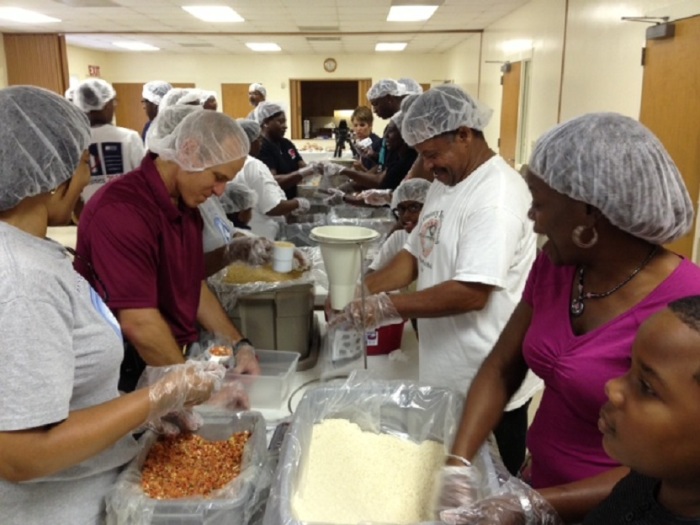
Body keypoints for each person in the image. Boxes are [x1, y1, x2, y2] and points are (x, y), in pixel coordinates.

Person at [440, 112, 700, 523]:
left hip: (620, 508)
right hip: (539, 480)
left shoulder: (686, 310)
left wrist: (537, 505)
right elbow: (503, 365)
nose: (532, 219)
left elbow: (683, 471)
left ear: (589, 214)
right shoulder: (558, 264)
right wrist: (457, 463)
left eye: (539, 204)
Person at [0, 85, 226, 524]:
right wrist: (158, 395)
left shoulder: (34, 253)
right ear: (50, 176)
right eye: (85, 163)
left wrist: (134, 410)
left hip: (96, 488)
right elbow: (21, 455)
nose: (89, 178)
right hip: (56, 510)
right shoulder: (23, 279)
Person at [330, 85, 542, 475]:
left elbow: (472, 292)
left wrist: (387, 307)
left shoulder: (495, 197)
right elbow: (415, 254)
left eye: (431, 154)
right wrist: (364, 288)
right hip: (448, 370)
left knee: (491, 485)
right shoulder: (447, 184)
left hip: (489, 376)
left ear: (464, 134)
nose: (427, 166)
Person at [441, 296, 700, 525]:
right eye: (628, 367)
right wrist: (523, 507)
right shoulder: (647, 482)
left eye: (646, 386)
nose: (612, 386)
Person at [75, 109, 261, 393]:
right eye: (218, 176)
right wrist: (192, 390)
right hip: (128, 372)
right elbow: (139, 323)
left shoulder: (186, 208)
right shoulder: (122, 211)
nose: (221, 191)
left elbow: (192, 285)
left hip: (170, 359)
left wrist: (239, 344)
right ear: (189, 152)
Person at [234, 119, 310, 239]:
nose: (261, 144)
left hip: (244, 231)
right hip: (261, 233)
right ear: (249, 141)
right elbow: (272, 207)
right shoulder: (253, 165)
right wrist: (298, 203)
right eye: (259, 139)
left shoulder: (232, 162)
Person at [73, 78, 146, 203]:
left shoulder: (75, 141)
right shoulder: (129, 138)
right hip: (127, 209)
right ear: (106, 105)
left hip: (90, 213)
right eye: (113, 102)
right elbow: (144, 179)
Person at [254, 101, 315, 200]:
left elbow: (301, 165)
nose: (285, 126)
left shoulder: (285, 143)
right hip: (274, 203)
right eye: (280, 121)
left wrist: (316, 167)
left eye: (285, 121)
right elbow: (272, 181)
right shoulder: (261, 147)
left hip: (290, 199)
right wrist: (302, 173)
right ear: (266, 123)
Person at [350, 105, 383, 171]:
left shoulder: (377, 143)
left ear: (370, 125)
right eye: (355, 125)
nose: (358, 129)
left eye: (362, 125)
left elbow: (376, 176)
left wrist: (361, 168)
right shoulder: (359, 143)